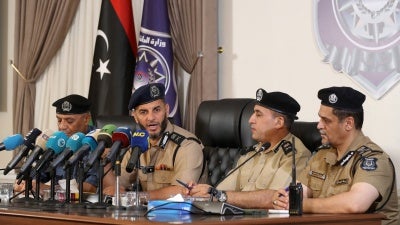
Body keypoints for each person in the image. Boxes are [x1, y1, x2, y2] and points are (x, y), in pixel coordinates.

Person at [273, 86, 399, 225]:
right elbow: (298, 193)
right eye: (320, 119)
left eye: (326, 120)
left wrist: (301, 205)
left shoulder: (373, 159)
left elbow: (355, 203)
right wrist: (285, 199)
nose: (319, 125)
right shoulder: (322, 155)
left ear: (348, 124)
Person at [187, 88, 311, 209]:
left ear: (278, 122)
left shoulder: (295, 155)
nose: (251, 120)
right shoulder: (253, 152)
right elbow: (221, 191)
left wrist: (220, 196)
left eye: (258, 114)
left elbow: (277, 198)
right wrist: (203, 193)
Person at [102, 83, 205, 200]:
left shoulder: (187, 146)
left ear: (166, 110)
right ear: (135, 117)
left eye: (156, 110)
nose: (151, 118)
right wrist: (105, 161)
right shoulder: (138, 143)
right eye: (143, 112)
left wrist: (134, 197)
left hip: (183, 216)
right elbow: (115, 187)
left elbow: (182, 192)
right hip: (146, 214)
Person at [14, 94, 98, 194]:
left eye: (69, 121)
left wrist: (49, 189)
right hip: (57, 207)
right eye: (59, 120)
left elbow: (91, 188)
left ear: (86, 119)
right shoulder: (56, 141)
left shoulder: (97, 142)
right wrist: (26, 183)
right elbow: (37, 175)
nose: (62, 126)